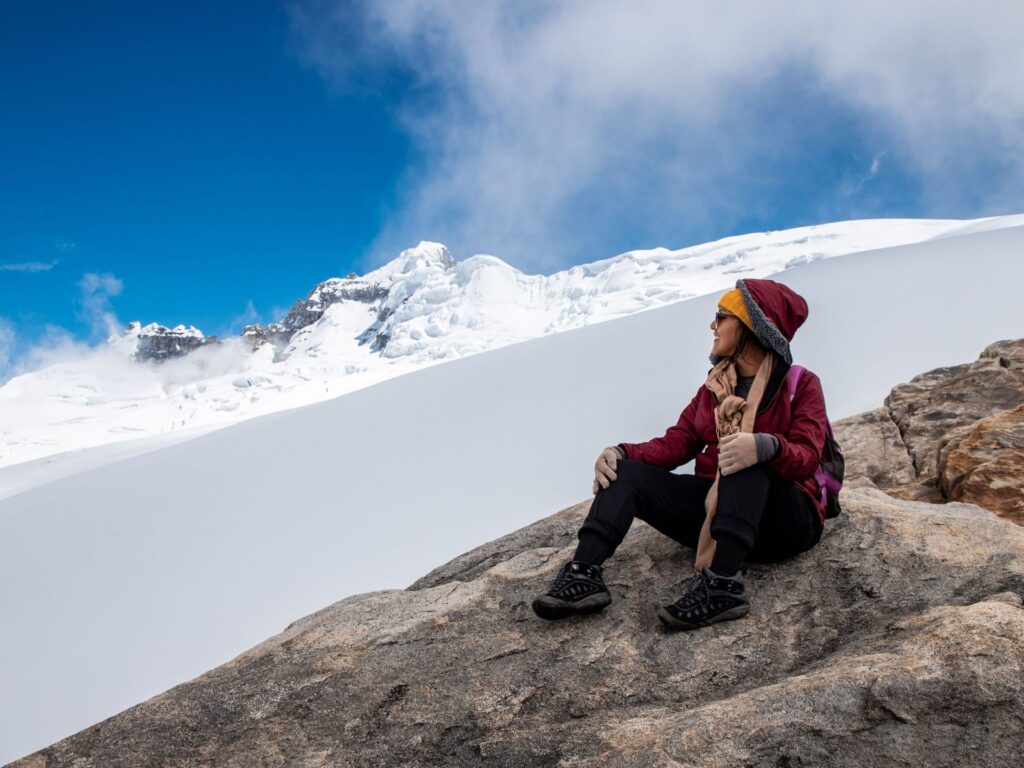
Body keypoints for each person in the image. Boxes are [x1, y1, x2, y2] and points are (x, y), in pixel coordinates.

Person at [531, 278, 829, 631]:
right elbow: (676, 444)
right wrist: (619, 452)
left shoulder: (801, 384)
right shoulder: (715, 387)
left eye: (721, 317)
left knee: (742, 455)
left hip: (786, 521)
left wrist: (764, 446)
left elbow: (808, 455)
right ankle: (584, 574)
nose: (712, 326)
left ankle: (722, 586)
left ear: (752, 326)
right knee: (625, 473)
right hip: (720, 512)